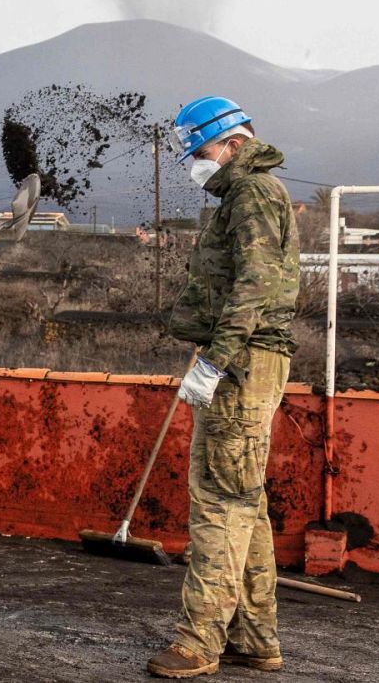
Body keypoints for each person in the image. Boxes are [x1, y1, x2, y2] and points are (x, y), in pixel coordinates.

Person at [147, 97, 300, 679]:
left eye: (202, 151)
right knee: (245, 503)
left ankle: (198, 643)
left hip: (244, 362)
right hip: (248, 358)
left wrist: (216, 360)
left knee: (218, 499)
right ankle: (256, 639)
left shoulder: (254, 192)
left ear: (233, 144)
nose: (197, 163)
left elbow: (256, 283)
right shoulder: (244, 193)